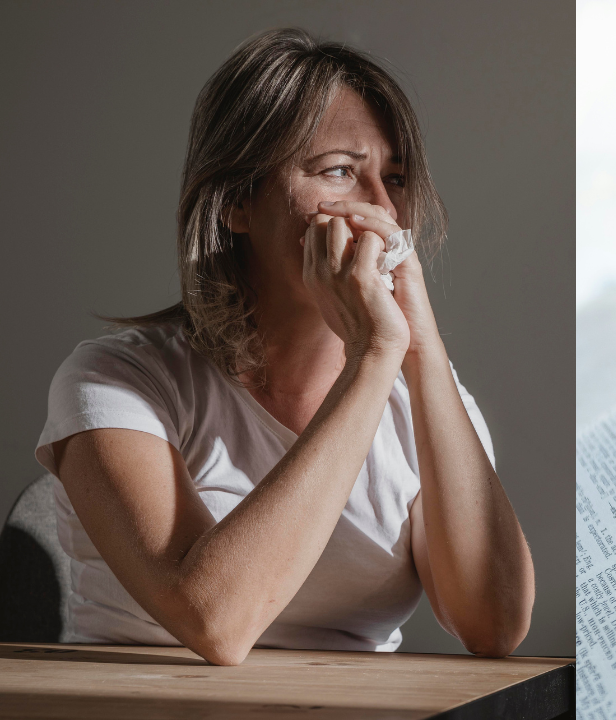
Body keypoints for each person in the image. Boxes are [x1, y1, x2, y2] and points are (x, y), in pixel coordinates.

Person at [33, 28, 535, 666]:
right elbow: (216, 621)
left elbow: (493, 627)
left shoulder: (424, 398)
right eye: (339, 172)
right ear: (238, 202)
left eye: (397, 177)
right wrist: (372, 360)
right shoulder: (117, 381)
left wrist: (422, 351)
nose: (382, 209)